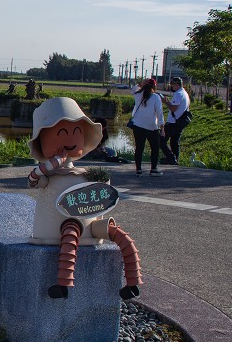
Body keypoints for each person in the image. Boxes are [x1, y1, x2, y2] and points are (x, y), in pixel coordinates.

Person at [25, 97, 141, 300]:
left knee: (120, 235)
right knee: (70, 233)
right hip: (59, 229)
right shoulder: (49, 176)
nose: (70, 138)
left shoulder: (85, 172)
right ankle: (62, 285)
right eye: (61, 133)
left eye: (76, 131)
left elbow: (102, 192)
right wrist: (55, 162)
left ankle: (133, 284)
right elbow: (33, 179)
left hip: (91, 226)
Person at [129, 78, 165, 176]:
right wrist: (162, 127)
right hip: (151, 127)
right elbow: (159, 113)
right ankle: (153, 169)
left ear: (144, 85)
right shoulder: (156, 97)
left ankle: (138, 170)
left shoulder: (138, 94)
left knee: (139, 148)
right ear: (154, 86)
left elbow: (133, 90)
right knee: (155, 148)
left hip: (138, 125)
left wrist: (140, 84)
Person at [159, 76, 191, 165]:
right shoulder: (185, 93)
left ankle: (170, 157)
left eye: (172, 85)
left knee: (161, 140)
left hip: (173, 123)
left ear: (176, 84)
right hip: (179, 122)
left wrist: (166, 102)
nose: (171, 87)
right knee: (174, 142)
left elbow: (173, 108)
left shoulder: (178, 94)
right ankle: (175, 159)